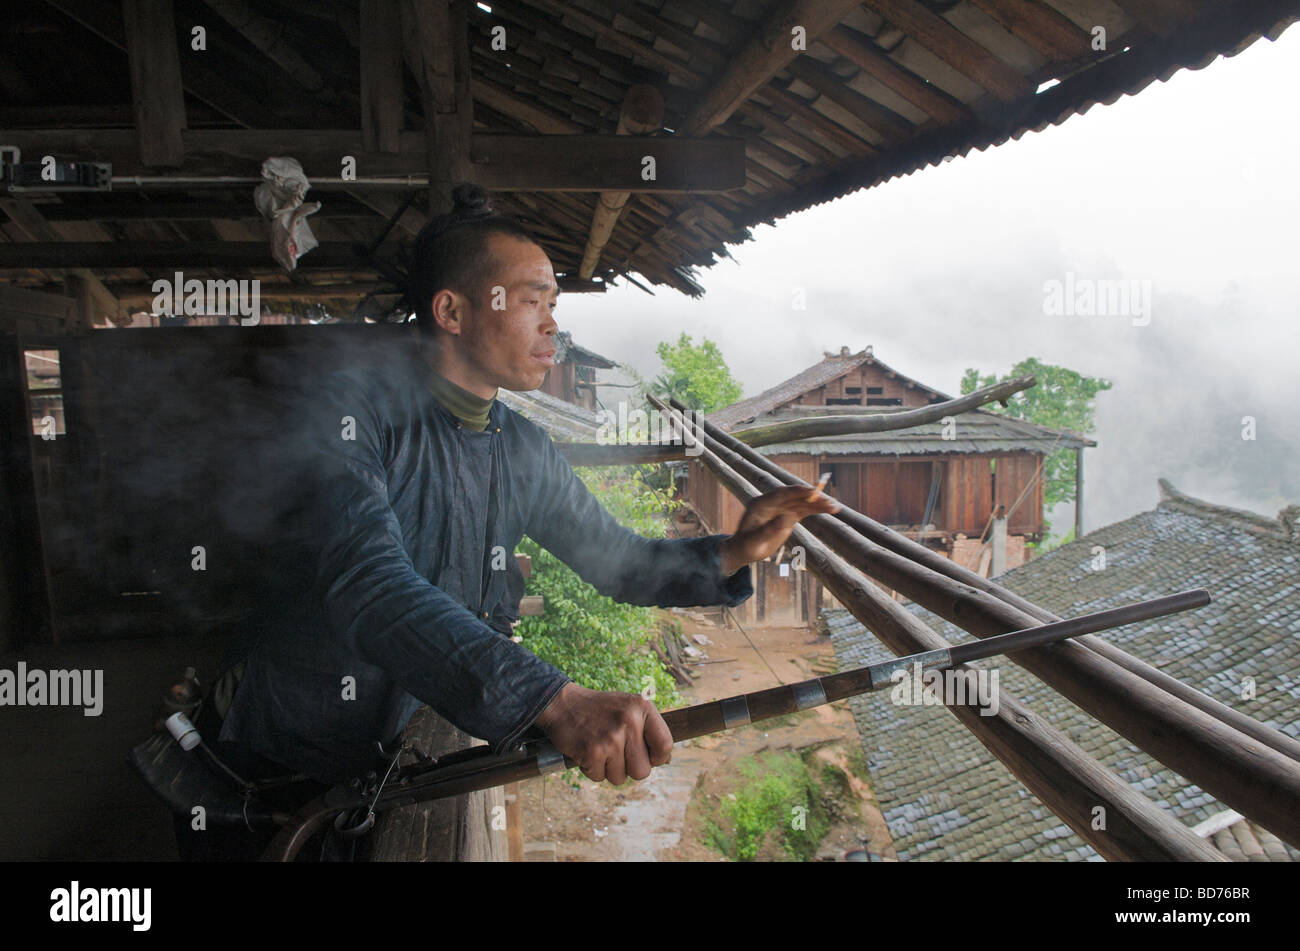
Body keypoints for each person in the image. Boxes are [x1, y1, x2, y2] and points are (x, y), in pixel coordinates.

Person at [197, 184, 836, 856]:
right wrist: (553, 700)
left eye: (553, 305)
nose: (552, 324)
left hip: (382, 766)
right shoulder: (354, 414)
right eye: (532, 300)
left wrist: (736, 549)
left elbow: (621, 563)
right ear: (451, 309)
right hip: (268, 763)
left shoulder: (523, 449)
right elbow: (368, 583)